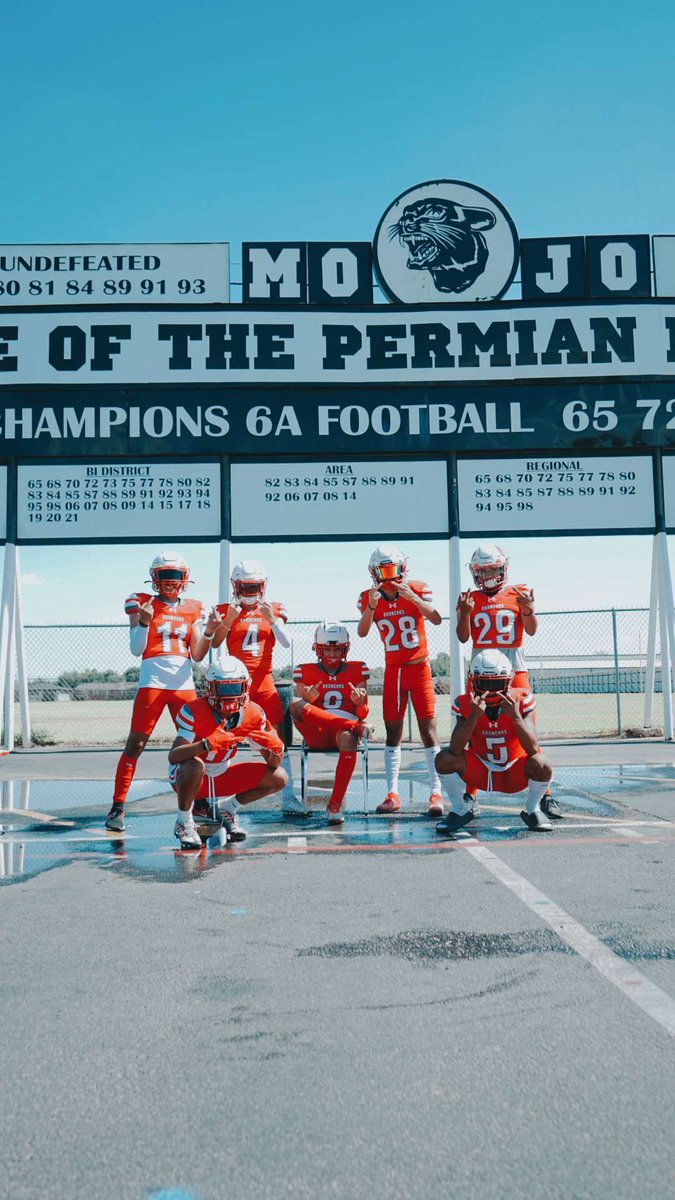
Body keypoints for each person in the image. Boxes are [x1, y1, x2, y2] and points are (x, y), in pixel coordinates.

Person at [105, 551, 214, 833]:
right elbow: (136, 649)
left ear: (185, 578)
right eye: (164, 575)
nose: (169, 582)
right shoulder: (141, 602)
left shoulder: (194, 608)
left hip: (184, 684)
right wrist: (143, 622)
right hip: (152, 682)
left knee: (196, 743)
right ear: (154, 578)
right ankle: (118, 805)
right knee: (136, 744)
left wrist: (211, 632)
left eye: (175, 576)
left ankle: (198, 802)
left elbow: (199, 654)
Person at [456, 543, 560, 819]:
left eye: (493, 569)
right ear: (475, 573)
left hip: (514, 666)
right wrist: (464, 613)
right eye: (483, 570)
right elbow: (463, 637)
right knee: (474, 727)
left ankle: (545, 795)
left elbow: (532, 630)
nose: (488, 575)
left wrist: (528, 610)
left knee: (527, 729)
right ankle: (470, 794)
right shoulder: (470, 598)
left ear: (503, 568)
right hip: (481, 671)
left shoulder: (517, 593)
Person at [357, 544, 444, 816]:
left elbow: (437, 618)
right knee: (393, 734)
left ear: (402, 569)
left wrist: (414, 599)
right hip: (394, 671)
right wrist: (372, 606)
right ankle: (392, 793)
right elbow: (361, 631)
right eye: (382, 570)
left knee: (428, 732)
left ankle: (436, 793)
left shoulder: (416, 589)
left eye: (392, 569)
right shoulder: (369, 597)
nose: (387, 576)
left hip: (420, 669)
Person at [209, 560, 301, 815]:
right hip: (233, 687)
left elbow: (286, 642)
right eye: (245, 586)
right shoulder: (226, 609)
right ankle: (213, 799)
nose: (249, 592)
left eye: (254, 586)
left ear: (263, 586)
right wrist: (227, 620)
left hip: (264, 684)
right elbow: (216, 643)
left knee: (276, 745)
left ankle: (289, 798)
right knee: (222, 742)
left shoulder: (273, 609)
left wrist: (272, 620)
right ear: (235, 586)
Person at [168, 656, 287, 849]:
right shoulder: (194, 711)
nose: (229, 695)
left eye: (235, 688)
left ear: (245, 687)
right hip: (191, 777)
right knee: (194, 764)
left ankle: (227, 809)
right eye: (222, 688)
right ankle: (183, 821)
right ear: (209, 688)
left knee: (280, 777)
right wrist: (205, 745)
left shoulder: (253, 713)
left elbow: (273, 765)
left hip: (222, 774)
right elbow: (174, 756)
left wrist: (276, 749)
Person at [435, 649, 554, 834]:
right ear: (473, 681)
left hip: (515, 771)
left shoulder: (521, 699)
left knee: (542, 763)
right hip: (482, 771)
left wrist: (515, 717)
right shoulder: (465, 703)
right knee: (443, 758)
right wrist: (473, 717)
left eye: (497, 683)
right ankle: (460, 808)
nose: (491, 692)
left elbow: (532, 749)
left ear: (509, 680)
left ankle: (532, 809)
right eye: (484, 684)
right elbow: (455, 749)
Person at [290, 621, 373, 824]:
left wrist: (359, 703)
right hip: (317, 730)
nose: (333, 655)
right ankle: (353, 727)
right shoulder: (304, 670)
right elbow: (299, 709)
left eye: (338, 650)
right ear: (318, 648)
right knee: (294, 704)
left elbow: (362, 711)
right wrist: (308, 699)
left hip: (343, 734)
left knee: (349, 737)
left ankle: (334, 804)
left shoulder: (358, 669)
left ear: (346, 649)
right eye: (328, 649)